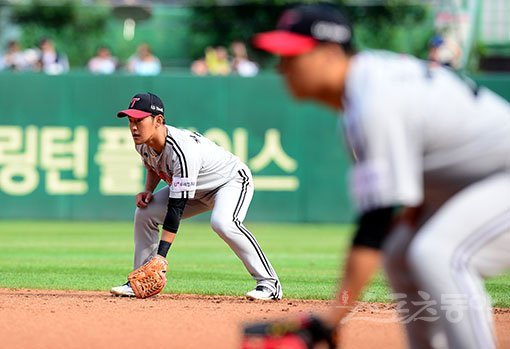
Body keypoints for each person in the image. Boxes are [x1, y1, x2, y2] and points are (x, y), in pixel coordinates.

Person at [245, 3, 510, 348]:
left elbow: (375, 221)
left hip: (497, 179)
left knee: (437, 252)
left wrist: (333, 316)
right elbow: (407, 201)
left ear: (328, 53)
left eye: (292, 56)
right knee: (401, 253)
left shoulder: (373, 101)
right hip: (479, 182)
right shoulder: (365, 90)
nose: (282, 68)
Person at [110, 92, 282, 301]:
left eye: (139, 120)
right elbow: (153, 166)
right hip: (196, 190)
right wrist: (148, 190)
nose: (134, 127)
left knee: (223, 223)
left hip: (229, 183)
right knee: (145, 213)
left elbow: (176, 207)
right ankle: (140, 279)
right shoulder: (142, 143)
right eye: (130, 121)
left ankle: (269, 284)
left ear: (158, 121)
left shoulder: (182, 150)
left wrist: (162, 256)